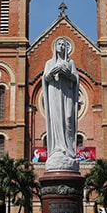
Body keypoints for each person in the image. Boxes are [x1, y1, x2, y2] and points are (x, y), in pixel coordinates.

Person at [43, 37, 79, 172]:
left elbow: (76, 78)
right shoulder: (49, 63)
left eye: (64, 44)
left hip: (67, 94)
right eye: (58, 44)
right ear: (55, 47)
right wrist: (53, 71)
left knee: (68, 118)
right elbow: (45, 78)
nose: (61, 46)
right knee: (56, 120)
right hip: (54, 95)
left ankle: (68, 149)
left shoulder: (70, 62)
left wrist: (68, 73)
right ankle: (57, 148)